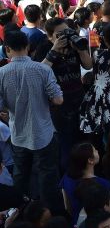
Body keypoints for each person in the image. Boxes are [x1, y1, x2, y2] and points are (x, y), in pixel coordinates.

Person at [0, 30, 64, 211]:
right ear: (28, 47)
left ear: (7, 49)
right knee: (47, 175)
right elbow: (58, 99)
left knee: (21, 173)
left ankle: (20, 209)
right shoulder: (43, 69)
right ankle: (49, 213)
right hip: (44, 131)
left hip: (18, 134)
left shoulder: (1, 73)